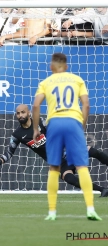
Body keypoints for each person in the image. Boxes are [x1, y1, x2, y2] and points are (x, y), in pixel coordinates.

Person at [32, 53, 101, 221]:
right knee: (82, 166)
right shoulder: (77, 80)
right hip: (73, 122)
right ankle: (90, 208)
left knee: (54, 168)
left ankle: (52, 212)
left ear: (51, 67)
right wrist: (82, 125)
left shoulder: (46, 82)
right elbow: (86, 104)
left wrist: (35, 129)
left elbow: (35, 105)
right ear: (67, 66)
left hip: (54, 123)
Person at [0, 104, 108, 198]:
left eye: (23, 112)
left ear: (29, 113)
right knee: (68, 178)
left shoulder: (41, 122)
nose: (20, 115)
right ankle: (102, 190)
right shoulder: (17, 135)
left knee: (91, 151)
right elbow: (9, 153)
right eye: (18, 113)